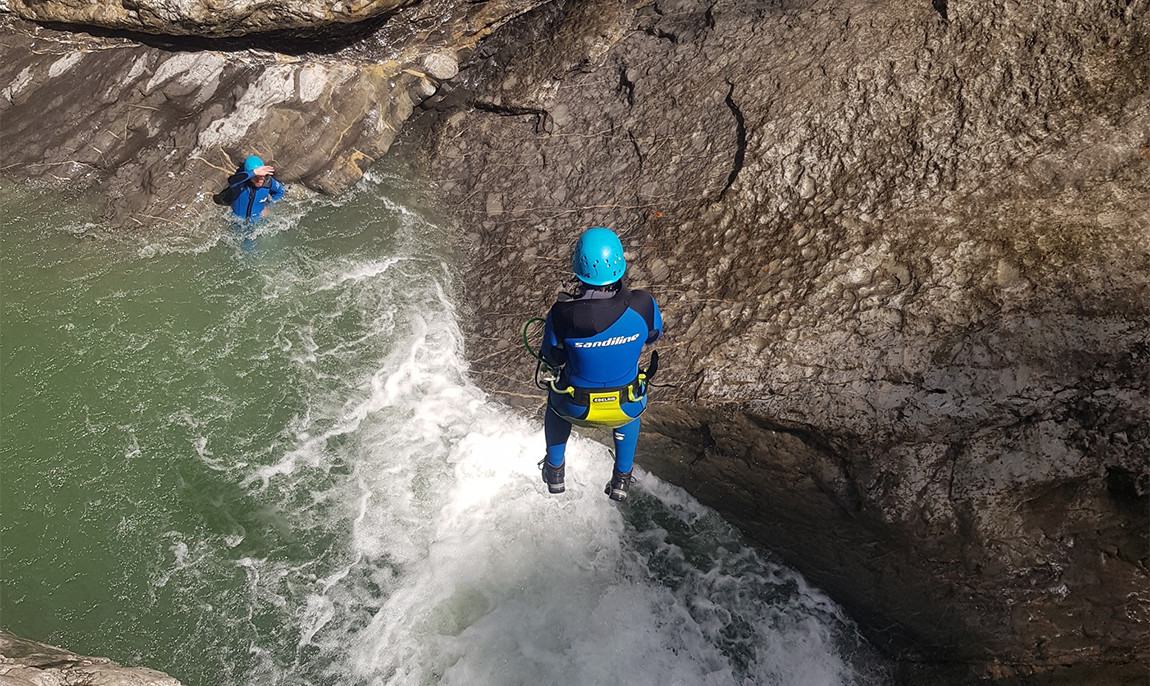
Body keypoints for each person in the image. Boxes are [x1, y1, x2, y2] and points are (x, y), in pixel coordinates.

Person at [539, 227, 663, 502]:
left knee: (555, 403)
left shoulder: (561, 314)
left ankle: (554, 470)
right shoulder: (643, 304)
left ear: (577, 266)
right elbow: (653, 335)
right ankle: (621, 479)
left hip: (576, 407)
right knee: (629, 408)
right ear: (619, 262)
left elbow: (553, 357)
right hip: (625, 405)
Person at [224, 155, 285, 220]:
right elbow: (231, 180)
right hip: (237, 223)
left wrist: (268, 206)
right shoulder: (240, 184)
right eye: (255, 177)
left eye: (261, 176)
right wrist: (255, 172)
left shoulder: (268, 182)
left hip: (259, 222)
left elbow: (280, 191)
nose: (259, 180)